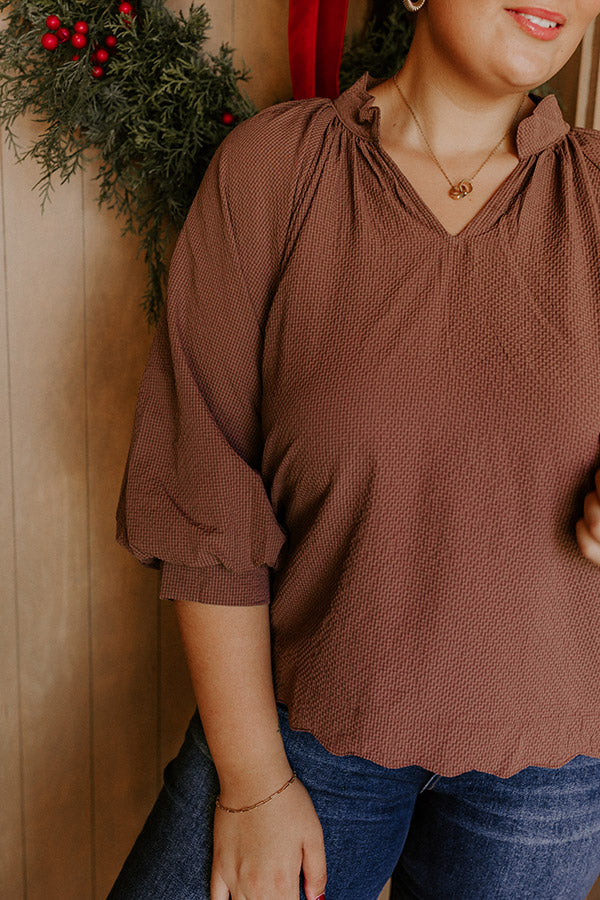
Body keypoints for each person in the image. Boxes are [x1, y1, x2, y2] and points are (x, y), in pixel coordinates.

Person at [108, 0, 600, 898]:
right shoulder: (274, 171)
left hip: (553, 761)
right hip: (300, 728)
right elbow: (202, 483)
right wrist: (254, 784)